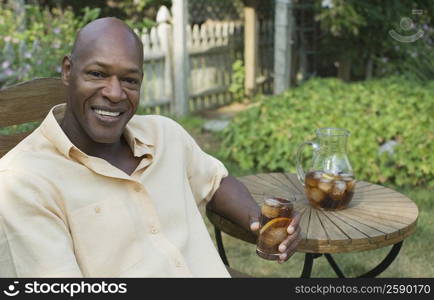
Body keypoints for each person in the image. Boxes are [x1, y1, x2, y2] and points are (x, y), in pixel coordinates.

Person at [0, 17, 301, 277]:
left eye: (129, 80)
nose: (115, 93)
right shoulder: (23, 182)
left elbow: (214, 180)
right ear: (68, 70)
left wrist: (258, 222)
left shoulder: (164, 134)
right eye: (98, 74)